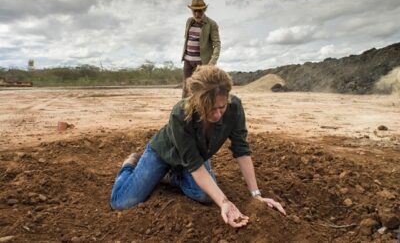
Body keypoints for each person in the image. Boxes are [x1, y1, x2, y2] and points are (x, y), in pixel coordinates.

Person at [110, 65, 286, 228]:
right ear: (196, 101)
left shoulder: (235, 108)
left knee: (207, 195)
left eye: (221, 107)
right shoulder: (181, 113)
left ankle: (171, 176)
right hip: (164, 154)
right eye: (210, 109)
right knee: (121, 202)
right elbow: (195, 166)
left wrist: (256, 195)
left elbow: (241, 149)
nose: (217, 115)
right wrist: (224, 202)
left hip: (194, 158)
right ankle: (132, 164)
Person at [181, 0, 221, 98]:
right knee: (186, 89)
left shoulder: (212, 24)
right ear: (191, 11)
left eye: (200, 11)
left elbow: (217, 44)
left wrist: (211, 63)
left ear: (204, 10)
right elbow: (187, 39)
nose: (197, 14)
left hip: (202, 64)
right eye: (195, 11)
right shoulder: (189, 21)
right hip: (187, 61)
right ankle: (184, 112)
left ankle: (200, 112)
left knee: (200, 90)